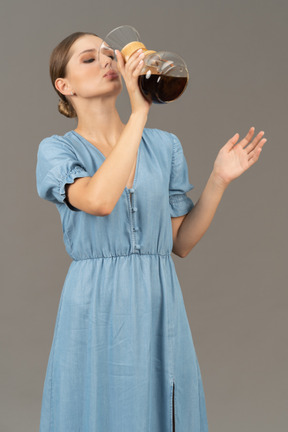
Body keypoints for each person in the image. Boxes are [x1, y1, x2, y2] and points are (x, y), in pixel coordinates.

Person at [36, 31, 267, 432]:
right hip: (95, 304)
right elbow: (99, 200)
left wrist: (218, 180)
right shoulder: (57, 151)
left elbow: (180, 243)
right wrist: (139, 112)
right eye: (89, 59)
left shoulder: (165, 147)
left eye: (109, 54)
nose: (107, 61)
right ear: (64, 85)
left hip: (159, 299)